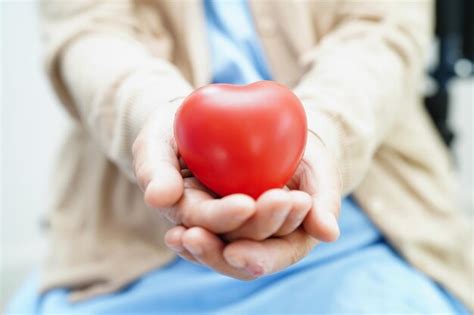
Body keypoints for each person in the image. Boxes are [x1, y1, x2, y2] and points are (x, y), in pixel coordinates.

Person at [6, 0, 472, 313]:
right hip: (131, 241)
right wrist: (154, 118)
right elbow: (88, 34)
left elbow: (383, 36)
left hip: (365, 219)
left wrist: (325, 132)